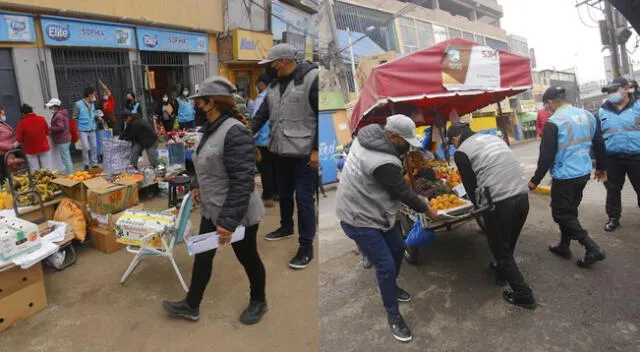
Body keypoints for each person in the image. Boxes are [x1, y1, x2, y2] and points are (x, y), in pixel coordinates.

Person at [162, 76, 267, 325]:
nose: (195, 106)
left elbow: (242, 182)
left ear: (211, 103)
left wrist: (229, 222)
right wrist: (198, 185)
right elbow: (205, 163)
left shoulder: (234, 132)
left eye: (199, 101)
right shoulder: (210, 129)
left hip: (238, 213)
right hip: (212, 209)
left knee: (248, 257)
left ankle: (259, 301)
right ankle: (191, 305)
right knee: (203, 256)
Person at [336, 114, 438, 343]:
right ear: (392, 136)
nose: (406, 148)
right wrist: (428, 210)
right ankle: (393, 316)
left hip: (372, 209)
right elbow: (403, 192)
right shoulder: (384, 162)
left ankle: (391, 286)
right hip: (358, 218)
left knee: (398, 247)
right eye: (404, 142)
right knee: (385, 265)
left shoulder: (369, 135)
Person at [448, 122, 536, 310]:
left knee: (500, 249)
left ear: (455, 138)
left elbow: (471, 188)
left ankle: (523, 295)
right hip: (522, 197)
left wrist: (476, 208)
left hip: (499, 202)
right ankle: (501, 272)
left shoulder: (462, 151)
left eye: (452, 142)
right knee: (508, 241)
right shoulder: (493, 138)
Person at [251, 43, 319, 269]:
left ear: (282, 62)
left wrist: (316, 150)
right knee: (285, 195)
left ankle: (306, 246)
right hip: (279, 151)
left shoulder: (311, 79)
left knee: (304, 199)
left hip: (304, 155)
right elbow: (261, 116)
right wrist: (242, 136)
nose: (269, 67)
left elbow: (321, 116)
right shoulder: (272, 86)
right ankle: (286, 226)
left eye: (271, 63)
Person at [529, 86, 608, 268]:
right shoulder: (588, 115)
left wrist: (535, 181)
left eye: (546, 105)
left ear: (550, 102)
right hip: (583, 172)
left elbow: (546, 157)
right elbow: (599, 143)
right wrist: (602, 167)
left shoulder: (554, 122)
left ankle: (592, 247)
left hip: (564, 176)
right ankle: (564, 246)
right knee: (569, 211)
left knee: (561, 214)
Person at [598, 77, 640, 232]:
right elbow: (597, 138)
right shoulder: (603, 110)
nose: (611, 94)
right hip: (612, 159)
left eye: (615, 90)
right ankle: (613, 218)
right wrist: (598, 163)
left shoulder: (638, 105)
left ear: (626, 88)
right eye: (609, 91)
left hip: (637, 157)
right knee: (612, 190)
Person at [252, 73, 277, 207]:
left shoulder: (261, 99)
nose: (257, 87)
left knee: (265, 168)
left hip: (262, 140)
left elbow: (257, 120)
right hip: (275, 139)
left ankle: (267, 196)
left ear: (262, 84)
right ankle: (276, 193)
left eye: (258, 84)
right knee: (274, 167)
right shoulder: (277, 95)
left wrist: (251, 138)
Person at [16, 104, 50, 170]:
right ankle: (49, 180)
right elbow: (47, 132)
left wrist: (13, 146)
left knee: (35, 169)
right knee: (47, 167)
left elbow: (19, 139)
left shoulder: (22, 123)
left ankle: (37, 180)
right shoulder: (41, 119)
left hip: (30, 149)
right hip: (43, 147)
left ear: (23, 113)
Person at [72, 87, 99, 170]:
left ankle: (94, 163)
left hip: (92, 128)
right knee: (85, 147)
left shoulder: (92, 104)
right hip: (82, 129)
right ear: (89, 94)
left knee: (94, 146)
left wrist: (98, 117)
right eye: (93, 95)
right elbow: (74, 117)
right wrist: (76, 130)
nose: (94, 96)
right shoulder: (78, 104)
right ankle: (86, 164)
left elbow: (93, 113)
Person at [45, 99, 73, 175]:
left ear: (55, 107)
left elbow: (61, 127)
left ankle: (70, 175)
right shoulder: (61, 114)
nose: (50, 109)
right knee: (67, 158)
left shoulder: (58, 116)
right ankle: (70, 173)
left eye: (51, 107)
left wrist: (50, 128)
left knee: (66, 159)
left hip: (62, 139)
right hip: (66, 138)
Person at [0, 107, 17, 183]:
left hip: (10, 153)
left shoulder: (3, 123)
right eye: (2, 114)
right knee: (5, 177)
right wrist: (10, 146)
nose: (4, 115)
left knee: (12, 175)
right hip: (2, 154)